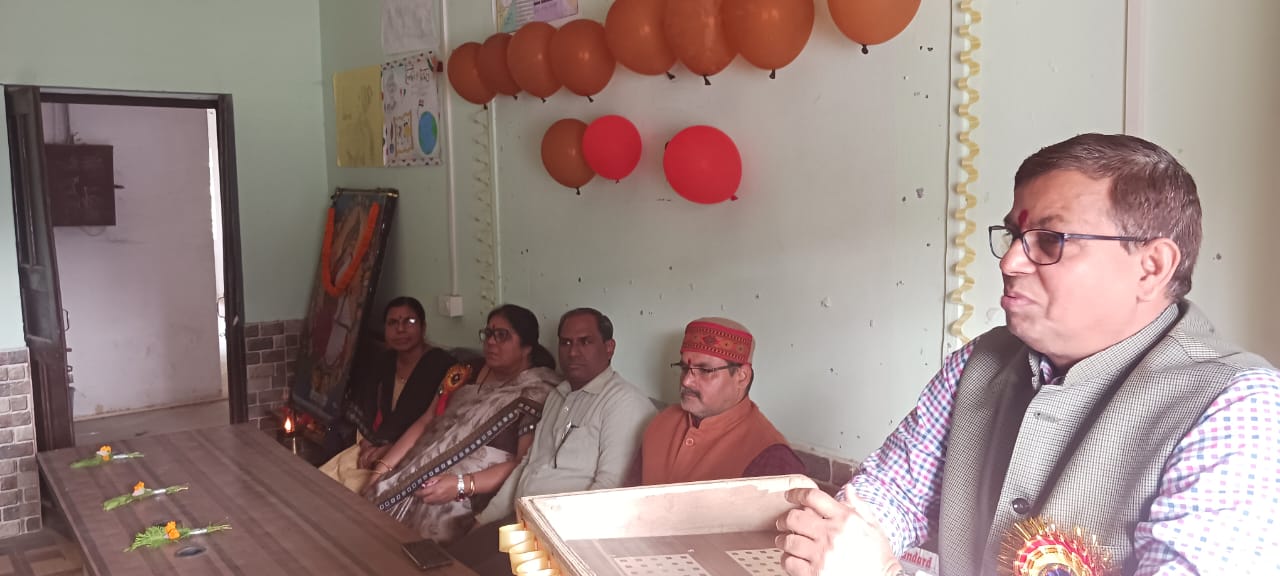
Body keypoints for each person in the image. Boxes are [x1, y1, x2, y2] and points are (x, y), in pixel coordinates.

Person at [778, 134, 1280, 575]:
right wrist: (842, 534)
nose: (1011, 262)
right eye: (1015, 237)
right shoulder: (980, 364)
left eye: (1049, 240)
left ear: (1151, 266)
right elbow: (890, 495)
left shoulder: (1236, 407)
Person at [450, 308, 656, 575]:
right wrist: (484, 521)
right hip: (521, 523)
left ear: (609, 347)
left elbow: (607, 493)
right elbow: (528, 464)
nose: (573, 352)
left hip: (564, 538)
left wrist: (548, 541)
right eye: (566, 342)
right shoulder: (558, 395)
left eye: (585, 342)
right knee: (447, 560)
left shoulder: (624, 403)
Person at [364, 304, 560, 544]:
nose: (491, 342)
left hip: (469, 492)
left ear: (527, 346)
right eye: (488, 334)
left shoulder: (536, 392)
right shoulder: (466, 371)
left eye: (502, 335)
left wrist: (461, 485)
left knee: (424, 533)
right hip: (416, 470)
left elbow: (523, 463)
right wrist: (382, 470)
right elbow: (427, 420)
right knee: (368, 512)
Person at [637, 317, 804, 485]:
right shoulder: (662, 423)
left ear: (742, 377)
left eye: (705, 370)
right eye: (684, 368)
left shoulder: (772, 458)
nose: (686, 381)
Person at [319, 297, 455, 492]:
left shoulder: (440, 366)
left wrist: (389, 448)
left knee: (352, 495)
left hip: (410, 455)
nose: (400, 329)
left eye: (409, 322)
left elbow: (435, 424)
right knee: (321, 484)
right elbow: (364, 410)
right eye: (392, 323)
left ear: (423, 327)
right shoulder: (383, 362)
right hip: (370, 448)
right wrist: (366, 442)